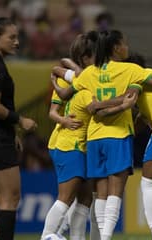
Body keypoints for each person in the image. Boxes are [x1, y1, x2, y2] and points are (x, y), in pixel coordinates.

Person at [51, 29, 152, 240]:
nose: (127, 47)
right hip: (118, 135)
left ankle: (67, 235)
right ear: (116, 48)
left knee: (98, 195)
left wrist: (55, 78)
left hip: (94, 138)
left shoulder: (88, 73)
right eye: (125, 44)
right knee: (115, 191)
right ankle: (105, 238)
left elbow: (65, 93)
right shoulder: (131, 70)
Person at [43, 31, 100, 239]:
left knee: (85, 200)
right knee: (66, 198)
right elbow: (52, 112)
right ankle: (47, 236)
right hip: (69, 143)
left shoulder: (84, 78)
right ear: (85, 57)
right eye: (96, 55)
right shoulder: (69, 81)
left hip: (84, 146)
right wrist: (64, 120)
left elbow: (62, 64)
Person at [0, 17, 37, 239]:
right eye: (11, 37)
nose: (17, 42)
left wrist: (12, 132)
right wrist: (20, 121)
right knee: (10, 198)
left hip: (1, 136)